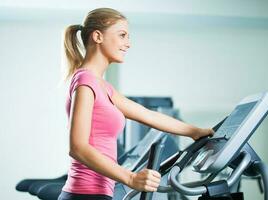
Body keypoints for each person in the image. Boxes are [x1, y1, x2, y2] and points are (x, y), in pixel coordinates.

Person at [58, 8, 214, 200]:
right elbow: (78, 147)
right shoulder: (85, 82)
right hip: (85, 194)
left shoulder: (103, 86)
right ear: (98, 36)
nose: (128, 44)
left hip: (97, 193)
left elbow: (147, 115)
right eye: (122, 35)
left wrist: (194, 131)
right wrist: (130, 178)